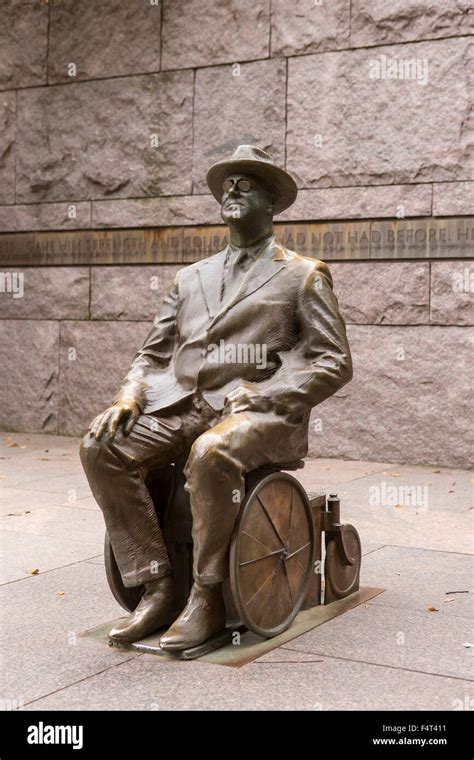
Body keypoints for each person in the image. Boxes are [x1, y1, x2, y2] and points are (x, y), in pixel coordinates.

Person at [80, 145, 352, 650]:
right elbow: (152, 355)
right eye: (227, 183)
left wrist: (267, 391)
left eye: (246, 182)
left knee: (211, 451)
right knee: (100, 446)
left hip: (257, 410)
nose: (231, 189)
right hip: (179, 403)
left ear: (272, 201)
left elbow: (333, 361)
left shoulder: (302, 274)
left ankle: (205, 595)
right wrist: (129, 396)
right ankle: (156, 585)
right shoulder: (190, 278)